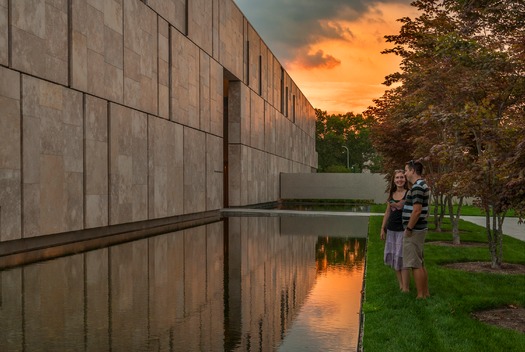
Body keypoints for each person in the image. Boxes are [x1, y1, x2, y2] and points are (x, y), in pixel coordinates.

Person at [402, 160, 430, 298]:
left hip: (415, 230)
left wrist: (408, 228)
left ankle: (420, 296)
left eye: (406, 170)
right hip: (419, 229)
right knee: (419, 261)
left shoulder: (418, 187)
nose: (405, 173)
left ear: (413, 170)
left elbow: (417, 211)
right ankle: (425, 293)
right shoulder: (421, 185)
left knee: (415, 263)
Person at [381, 170, 410, 291]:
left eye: (402, 177)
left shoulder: (409, 193)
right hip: (391, 229)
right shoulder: (391, 194)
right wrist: (382, 228)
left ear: (405, 179)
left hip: (403, 229)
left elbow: (402, 207)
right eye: (397, 178)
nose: (399, 180)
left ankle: (406, 288)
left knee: (402, 258)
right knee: (394, 258)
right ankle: (401, 285)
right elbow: (387, 211)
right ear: (394, 180)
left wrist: (397, 205)